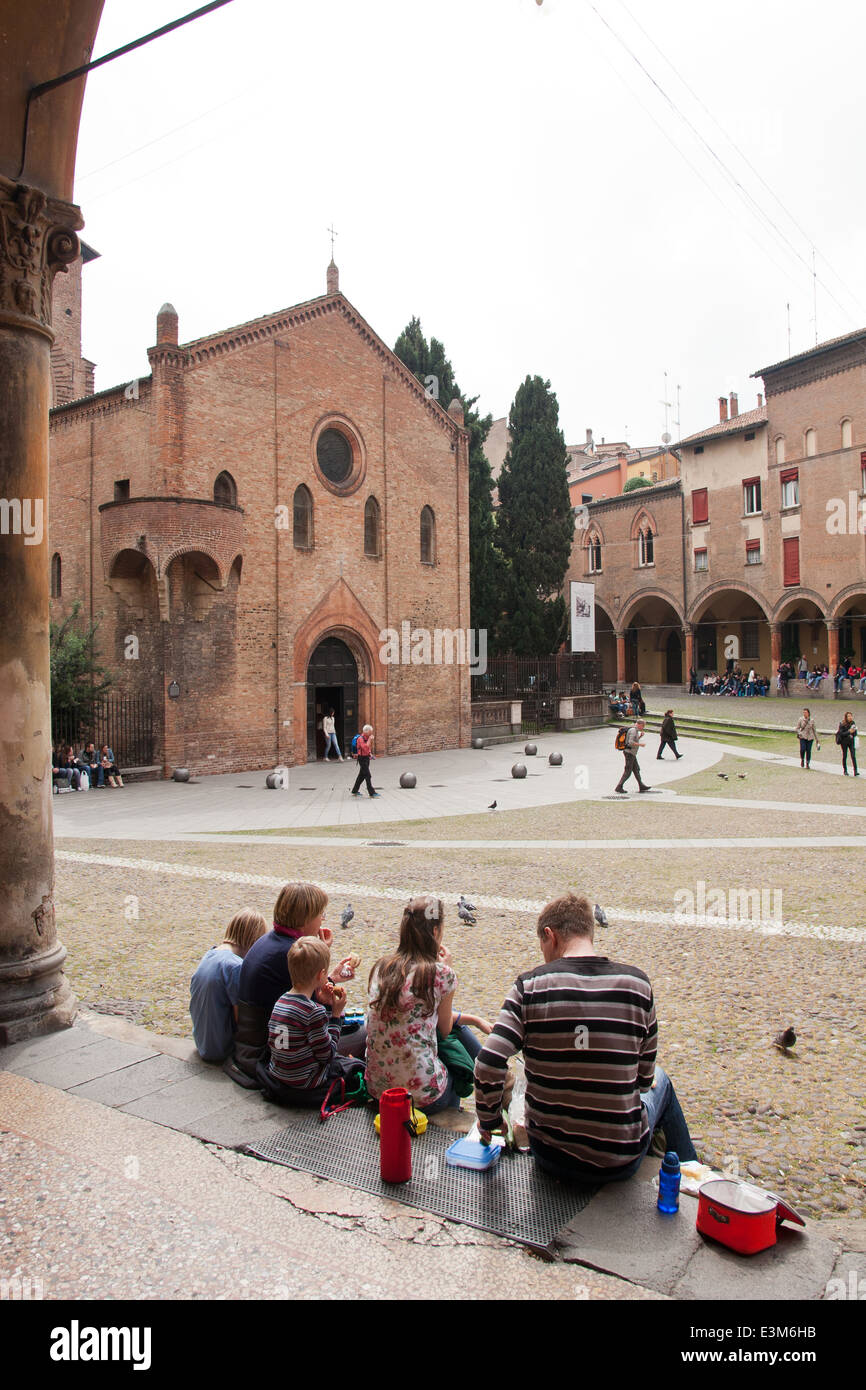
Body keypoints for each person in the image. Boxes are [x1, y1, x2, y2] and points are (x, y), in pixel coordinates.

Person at [474, 892, 696, 1182]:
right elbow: (643, 1081)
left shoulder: (529, 987)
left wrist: (489, 1121)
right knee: (661, 1080)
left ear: (550, 936)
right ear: (589, 932)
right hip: (620, 1159)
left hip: (549, 1155)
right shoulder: (637, 986)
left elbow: (488, 1061)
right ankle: (693, 1175)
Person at [365, 895, 491, 1114]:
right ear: (435, 933)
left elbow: (413, 1015)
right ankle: (485, 1088)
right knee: (457, 1049)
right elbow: (445, 1028)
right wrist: (446, 968)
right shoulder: (441, 974)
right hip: (421, 1098)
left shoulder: (381, 968)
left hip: (378, 1091)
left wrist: (476, 1020)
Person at [230, 882, 362, 1080]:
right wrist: (321, 954)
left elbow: (302, 988)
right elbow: (317, 1014)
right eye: (320, 914)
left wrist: (328, 973)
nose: (322, 920)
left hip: (249, 1046)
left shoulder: (268, 941)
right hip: (271, 1056)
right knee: (364, 1033)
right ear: (305, 919)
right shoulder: (289, 954)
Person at [257, 937, 364, 1106]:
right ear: (321, 975)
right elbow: (327, 1055)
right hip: (305, 1081)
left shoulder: (280, 1002)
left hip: (279, 1075)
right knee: (353, 1066)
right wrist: (336, 1015)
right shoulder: (313, 1011)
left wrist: (323, 1004)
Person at [189, 909, 268, 1062]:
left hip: (202, 1043)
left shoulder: (210, 954)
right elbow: (243, 1020)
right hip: (222, 1048)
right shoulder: (236, 967)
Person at [615, 717, 651, 794]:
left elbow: (633, 739)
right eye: (643, 726)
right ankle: (619, 786)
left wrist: (640, 736)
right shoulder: (633, 731)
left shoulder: (634, 730)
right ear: (639, 724)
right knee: (628, 771)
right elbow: (630, 742)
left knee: (636, 769)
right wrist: (640, 744)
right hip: (629, 753)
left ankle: (641, 786)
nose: (643, 728)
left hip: (632, 753)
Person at [350, 723, 379, 797]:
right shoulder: (360, 739)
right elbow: (365, 747)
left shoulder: (366, 738)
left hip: (366, 758)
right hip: (362, 759)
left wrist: (370, 754)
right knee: (368, 775)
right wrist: (369, 740)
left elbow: (368, 749)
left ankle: (354, 791)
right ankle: (371, 792)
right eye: (370, 732)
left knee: (361, 776)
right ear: (366, 732)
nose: (371, 733)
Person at [836, 711, 859, 776]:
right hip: (844, 742)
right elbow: (841, 734)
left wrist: (854, 732)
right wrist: (849, 732)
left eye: (851, 716)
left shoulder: (853, 723)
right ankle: (845, 770)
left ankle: (855, 770)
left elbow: (855, 733)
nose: (850, 717)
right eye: (848, 716)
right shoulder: (842, 724)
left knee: (853, 756)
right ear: (846, 717)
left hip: (851, 742)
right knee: (845, 756)